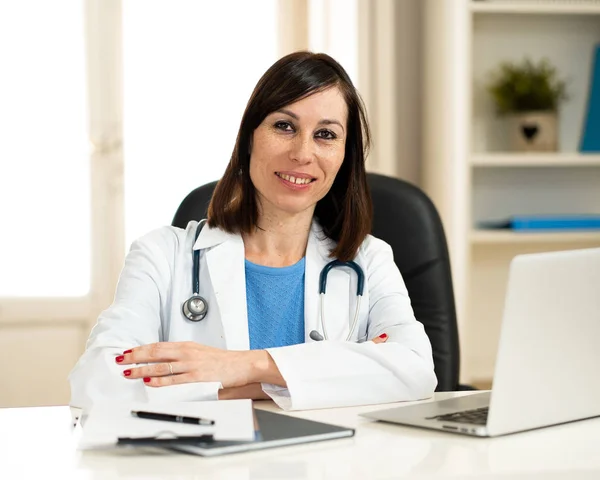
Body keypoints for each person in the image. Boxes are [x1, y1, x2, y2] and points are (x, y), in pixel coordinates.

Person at [69, 51, 437, 411]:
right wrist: (273, 387)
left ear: (345, 155)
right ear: (249, 138)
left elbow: (416, 370)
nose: (302, 153)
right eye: (284, 126)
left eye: (325, 134)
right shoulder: (161, 256)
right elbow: (99, 382)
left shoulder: (369, 260)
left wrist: (247, 365)